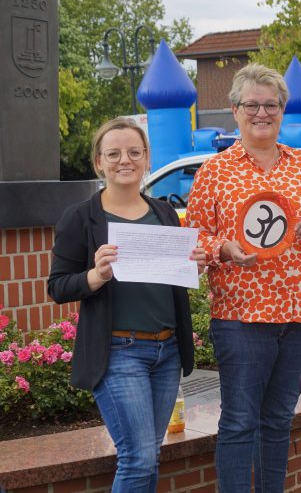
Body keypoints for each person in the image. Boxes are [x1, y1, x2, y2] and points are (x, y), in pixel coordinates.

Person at [184, 63, 301, 492]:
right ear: (235, 110)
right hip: (242, 315)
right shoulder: (214, 172)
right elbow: (193, 237)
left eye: (271, 105)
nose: (262, 113)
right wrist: (222, 248)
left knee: (278, 419)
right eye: (252, 105)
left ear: (282, 111)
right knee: (239, 420)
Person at [48, 117, 207, 492]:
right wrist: (96, 275)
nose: (125, 160)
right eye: (114, 153)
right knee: (137, 457)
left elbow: (171, 278)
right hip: (118, 352)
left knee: (149, 454)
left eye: (134, 152)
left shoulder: (165, 213)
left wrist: (191, 262)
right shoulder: (81, 218)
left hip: (166, 351)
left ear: (147, 158)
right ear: (98, 162)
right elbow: (57, 286)